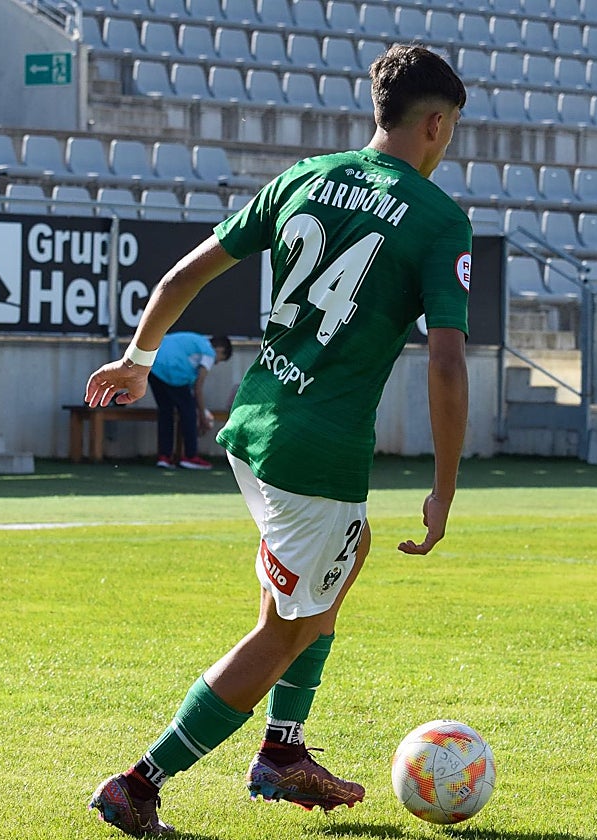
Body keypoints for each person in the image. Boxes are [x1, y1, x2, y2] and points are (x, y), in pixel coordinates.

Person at [84, 44, 471, 836]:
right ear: (436, 124)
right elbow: (447, 360)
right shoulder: (437, 218)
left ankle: (285, 751)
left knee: (341, 559)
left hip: (253, 422)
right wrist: (445, 481)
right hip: (316, 450)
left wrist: (138, 357)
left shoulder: (304, 176)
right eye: (453, 128)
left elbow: (182, 276)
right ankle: (141, 780)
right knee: (284, 628)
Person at [148, 331, 232, 470]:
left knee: (165, 412)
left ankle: (164, 457)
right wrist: (202, 416)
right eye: (219, 360)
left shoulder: (196, 340)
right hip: (174, 370)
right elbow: (198, 388)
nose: (215, 363)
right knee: (189, 412)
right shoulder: (209, 353)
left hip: (153, 367)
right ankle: (190, 456)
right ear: (220, 350)